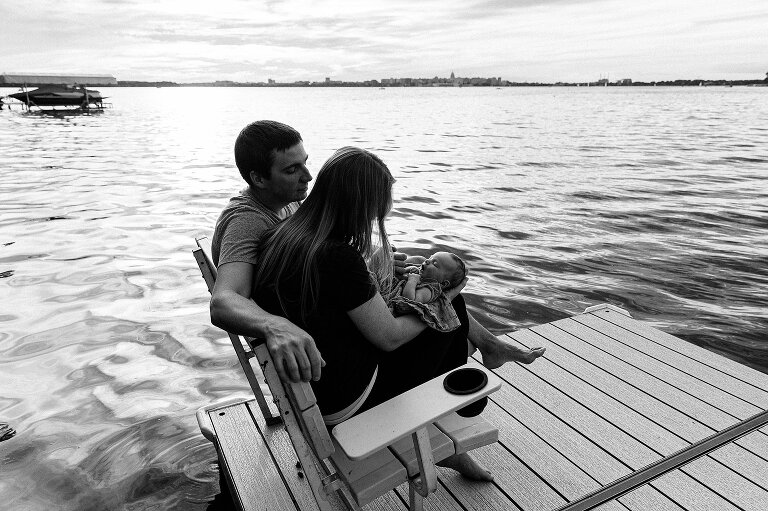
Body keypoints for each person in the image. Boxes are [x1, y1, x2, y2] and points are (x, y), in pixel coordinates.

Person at [390, 252, 467, 332]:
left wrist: (412, 280)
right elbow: (402, 273)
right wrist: (408, 270)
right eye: (430, 258)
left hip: (395, 309)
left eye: (434, 263)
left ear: (444, 283)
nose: (426, 261)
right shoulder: (422, 275)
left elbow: (409, 298)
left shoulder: (430, 290)